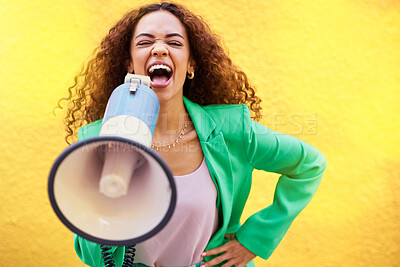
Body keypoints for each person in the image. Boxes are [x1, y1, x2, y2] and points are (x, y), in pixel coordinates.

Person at [59, 2, 327, 267]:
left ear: (191, 64)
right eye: (144, 43)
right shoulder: (99, 140)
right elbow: (92, 256)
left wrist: (254, 240)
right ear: (129, 64)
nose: (160, 49)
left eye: (174, 43)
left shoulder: (231, 131)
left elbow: (310, 165)